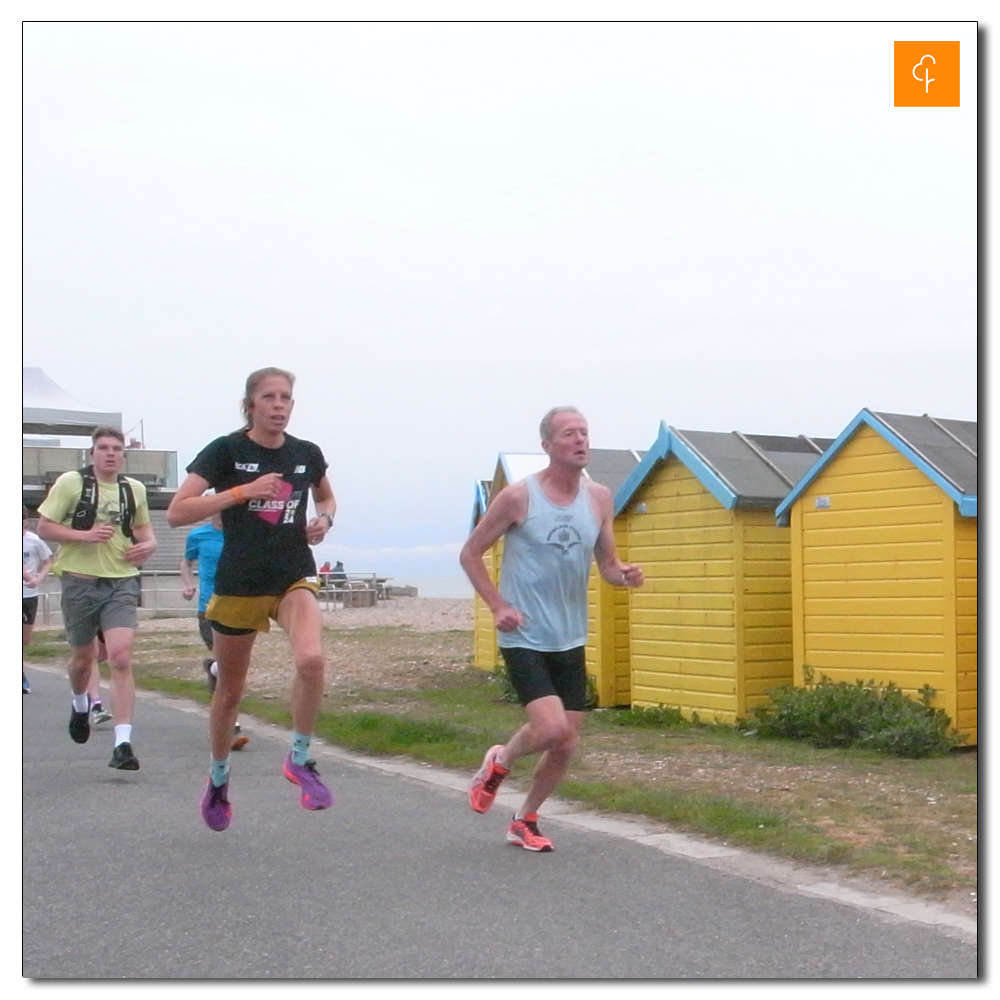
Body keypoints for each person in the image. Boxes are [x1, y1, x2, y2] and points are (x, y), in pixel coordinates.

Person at [459, 407, 644, 852]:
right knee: (550, 728)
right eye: (569, 434)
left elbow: (608, 565)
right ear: (547, 446)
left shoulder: (599, 497)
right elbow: (470, 553)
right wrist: (498, 605)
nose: (580, 440)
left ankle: (525, 820)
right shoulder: (518, 498)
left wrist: (625, 576)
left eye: (584, 432)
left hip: (570, 635)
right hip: (523, 632)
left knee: (566, 741)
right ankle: (499, 761)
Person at [167, 367, 337, 832]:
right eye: (269, 397)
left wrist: (324, 520)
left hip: (292, 574)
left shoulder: (306, 454)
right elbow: (178, 512)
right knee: (230, 694)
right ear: (251, 405)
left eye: (286, 398)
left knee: (312, 661)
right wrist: (241, 492)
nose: (279, 405)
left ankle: (299, 760)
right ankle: (219, 780)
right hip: (240, 582)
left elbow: (326, 498)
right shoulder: (226, 450)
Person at [37, 426, 158, 770]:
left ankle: (123, 745)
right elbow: (45, 527)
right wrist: (85, 535)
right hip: (79, 581)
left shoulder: (132, 490)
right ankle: (79, 704)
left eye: (116, 448)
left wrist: (148, 546)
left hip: (120, 581)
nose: (110, 453)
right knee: (82, 659)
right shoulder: (71, 483)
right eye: (103, 448)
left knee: (120, 657)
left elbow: (147, 534)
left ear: (123, 455)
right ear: (92, 454)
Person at [180, 512, 249, 751]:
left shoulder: (243, 533)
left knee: (232, 666)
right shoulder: (198, 535)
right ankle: (232, 727)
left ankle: (211, 667)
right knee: (229, 668)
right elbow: (186, 562)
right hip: (208, 608)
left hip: (238, 606)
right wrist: (188, 584)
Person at [22, 507, 54, 694]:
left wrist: (38, 579)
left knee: (24, 640)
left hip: (28, 595)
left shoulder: (34, 540)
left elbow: (48, 560)